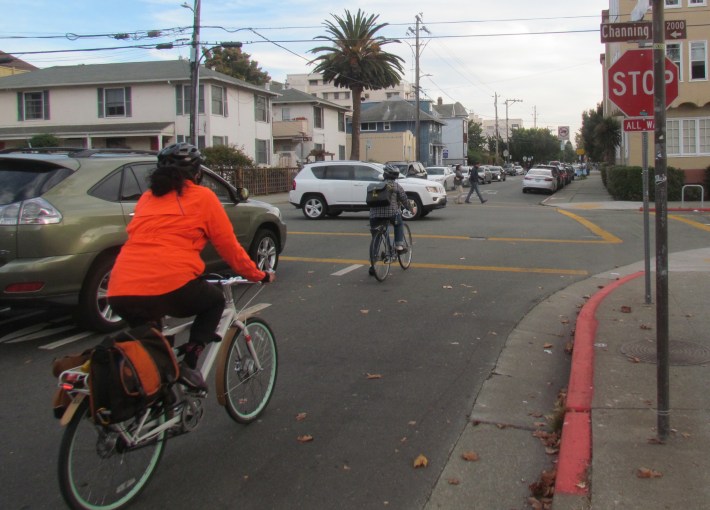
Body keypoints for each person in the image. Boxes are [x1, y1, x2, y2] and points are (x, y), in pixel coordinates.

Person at [107, 142, 275, 390]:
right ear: (197, 173)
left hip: (120, 289)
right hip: (170, 284)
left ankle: (156, 400)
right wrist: (258, 274)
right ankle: (190, 362)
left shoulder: (147, 198)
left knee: (152, 347)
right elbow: (229, 247)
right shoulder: (203, 197)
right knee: (215, 301)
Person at [368, 165, 411, 276]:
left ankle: (373, 263)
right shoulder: (396, 186)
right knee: (399, 223)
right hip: (391, 214)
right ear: (396, 177)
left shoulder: (375, 186)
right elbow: (405, 200)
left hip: (374, 215)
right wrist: (411, 208)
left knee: (376, 237)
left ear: (384, 175)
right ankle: (399, 245)